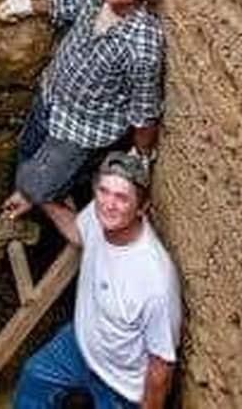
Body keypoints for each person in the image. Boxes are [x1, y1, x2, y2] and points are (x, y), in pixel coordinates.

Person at [0, 0, 165, 241]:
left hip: (81, 130)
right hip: (50, 96)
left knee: (36, 185)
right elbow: (69, 3)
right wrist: (26, 6)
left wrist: (140, 156)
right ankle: (29, 213)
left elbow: (144, 111)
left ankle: (60, 230)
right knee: (26, 155)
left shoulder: (142, 45)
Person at [14, 151, 181, 409]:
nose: (109, 204)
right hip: (83, 345)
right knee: (34, 376)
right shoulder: (99, 213)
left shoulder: (154, 282)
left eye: (122, 197)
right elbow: (78, 232)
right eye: (103, 191)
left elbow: (161, 366)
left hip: (122, 385)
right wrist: (39, 197)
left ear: (142, 207)